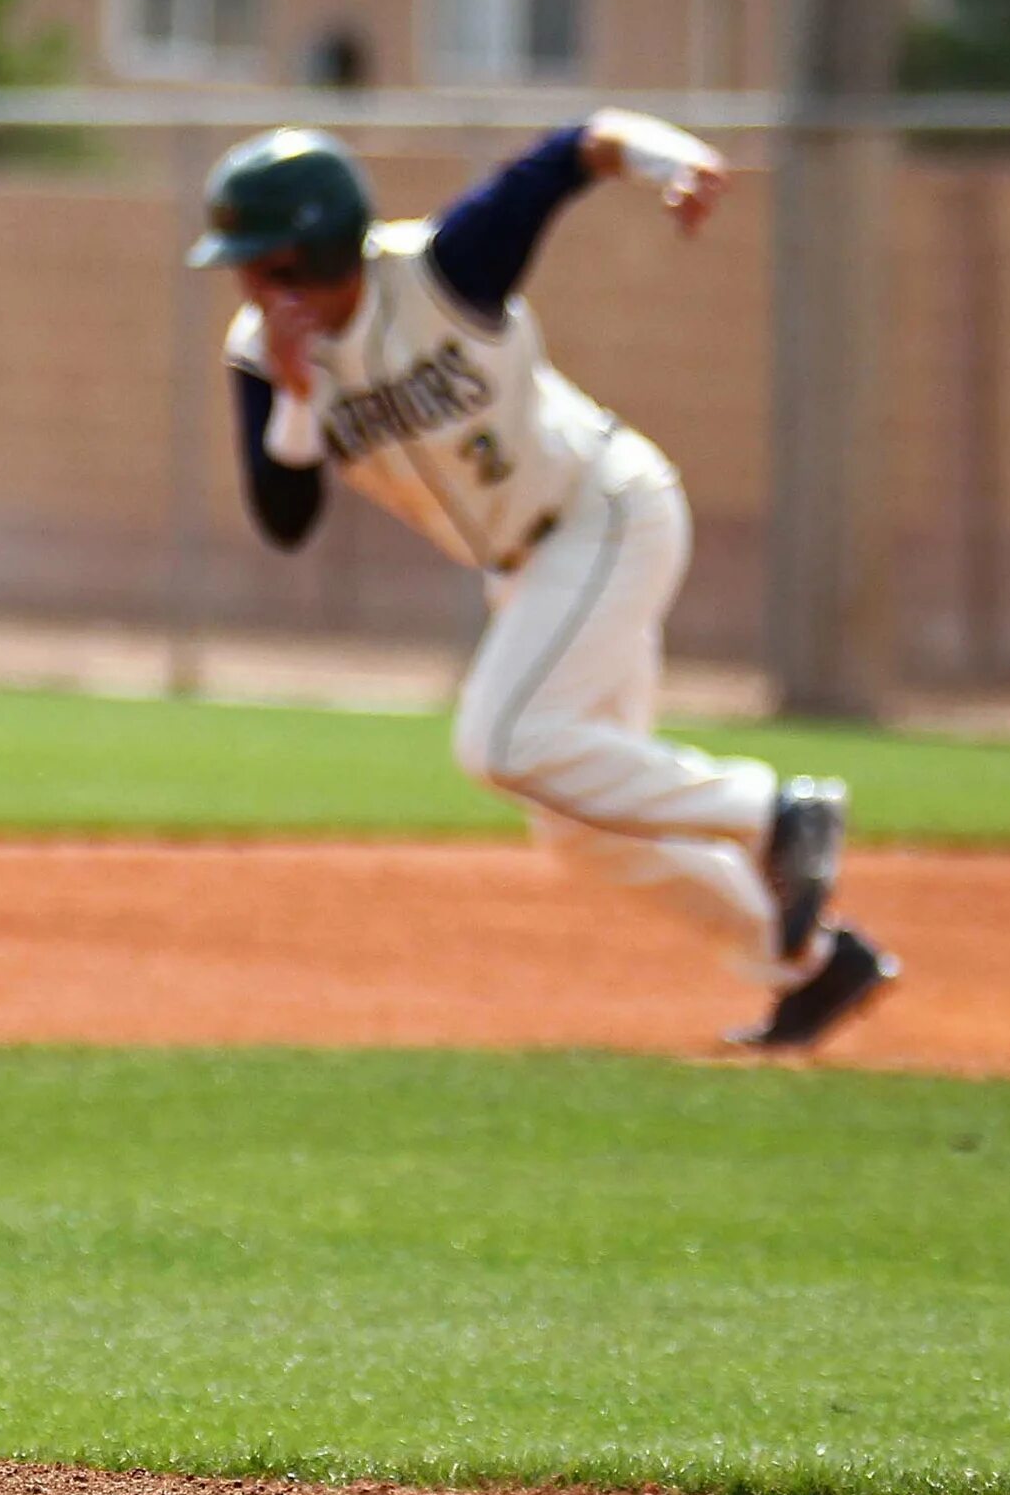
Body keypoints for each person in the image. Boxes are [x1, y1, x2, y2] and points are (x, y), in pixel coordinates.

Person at [194, 115, 898, 1049]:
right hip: (529, 572)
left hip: (605, 513)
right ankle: (810, 964)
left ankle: (777, 813)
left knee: (503, 741)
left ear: (314, 248)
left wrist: (668, 162)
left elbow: (573, 151)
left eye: (262, 259)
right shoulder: (264, 353)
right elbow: (286, 521)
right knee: (580, 824)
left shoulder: (443, 270)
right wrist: (293, 394)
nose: (247, 282)